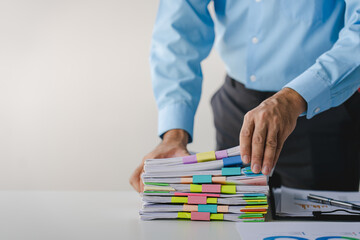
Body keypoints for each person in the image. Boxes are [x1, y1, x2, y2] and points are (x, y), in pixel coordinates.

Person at [130, 0, 360, 192]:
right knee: (236, 226)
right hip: (236, 111)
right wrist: (174, 134)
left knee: (320, 229)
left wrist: (292, 99)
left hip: (323, 112)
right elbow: (177, 32)